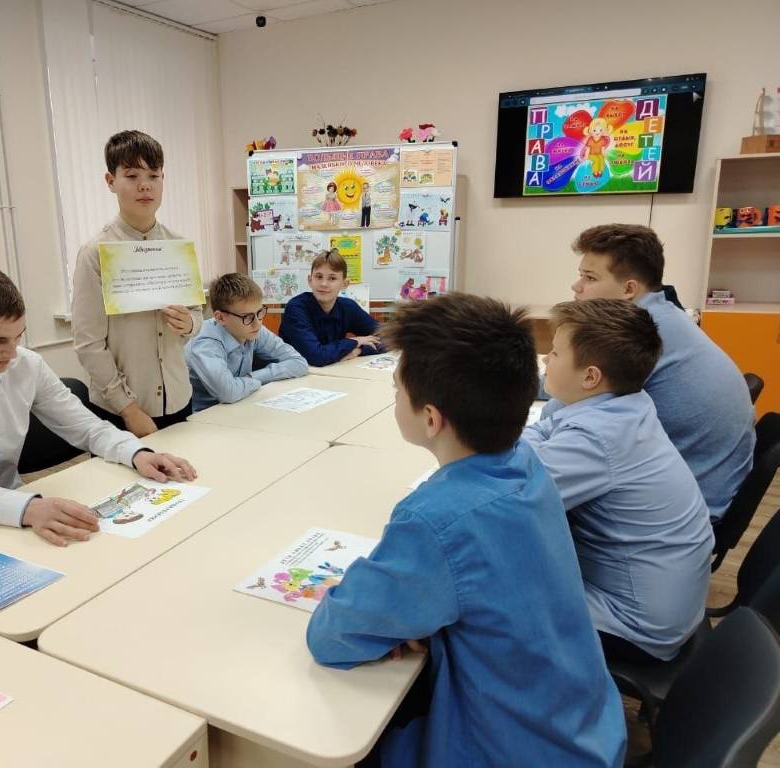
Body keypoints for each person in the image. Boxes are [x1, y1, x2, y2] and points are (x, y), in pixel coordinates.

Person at [306, 294, 626, 768]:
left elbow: (331, 638)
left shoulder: (435, 521)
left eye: (396, 389)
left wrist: (391, 615)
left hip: (513, 750)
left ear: (430, 418)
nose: (395, 398)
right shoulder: (525, 461)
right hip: (586, 726)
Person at [0, 266, 196, 547]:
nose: (11, 353)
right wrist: (29, 507)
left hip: (15, 515)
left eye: (17, 337)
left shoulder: (26, 365)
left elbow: (87, 427)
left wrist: (137, 453)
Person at [523, 299, 714, 662]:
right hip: (664, 598)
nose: (545, 358)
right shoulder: (624, 402)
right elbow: (542, 429)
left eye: (556, 353)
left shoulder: (599, 437)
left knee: (487, 594)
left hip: (635, 626)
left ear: (590, 377)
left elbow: (509, 498)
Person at [560, 223, 754, 521]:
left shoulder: (640, 335)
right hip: (703, 485)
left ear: (629, 289)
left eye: (590, 277)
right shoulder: (665, 314)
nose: (577, 286)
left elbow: (564, 405)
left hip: (681, 514)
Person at [71, 130, 202, 438]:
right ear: (110, 181)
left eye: (153, 175)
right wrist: (128, 409)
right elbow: (89, 344)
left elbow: (197, 316)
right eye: (131, 175)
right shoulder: (96, 253)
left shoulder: (178, 246)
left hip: (178, 398)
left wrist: (189, 324)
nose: (145, 185)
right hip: (123, 411)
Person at [184, 273, 306, 411]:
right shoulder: (205, 343)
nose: (257, 323)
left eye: (260, 312)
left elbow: (299, 363)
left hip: (243, 404)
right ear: (221, 318)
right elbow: (228, 393)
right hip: (207, 416)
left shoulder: (252, 328)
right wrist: (256, 381)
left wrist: (252, 377)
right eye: (247, 317)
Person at [279, 249, 382, 366]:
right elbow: (316, 356)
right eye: (319, 277)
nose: (324, 284)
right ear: (310, 280)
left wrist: (359, 350)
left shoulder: (348, 307)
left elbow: (389, 337)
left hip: (333, 370)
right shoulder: (296, 308)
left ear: (344, 284)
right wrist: (355, 342)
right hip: (296, 373)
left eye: (332, 278)